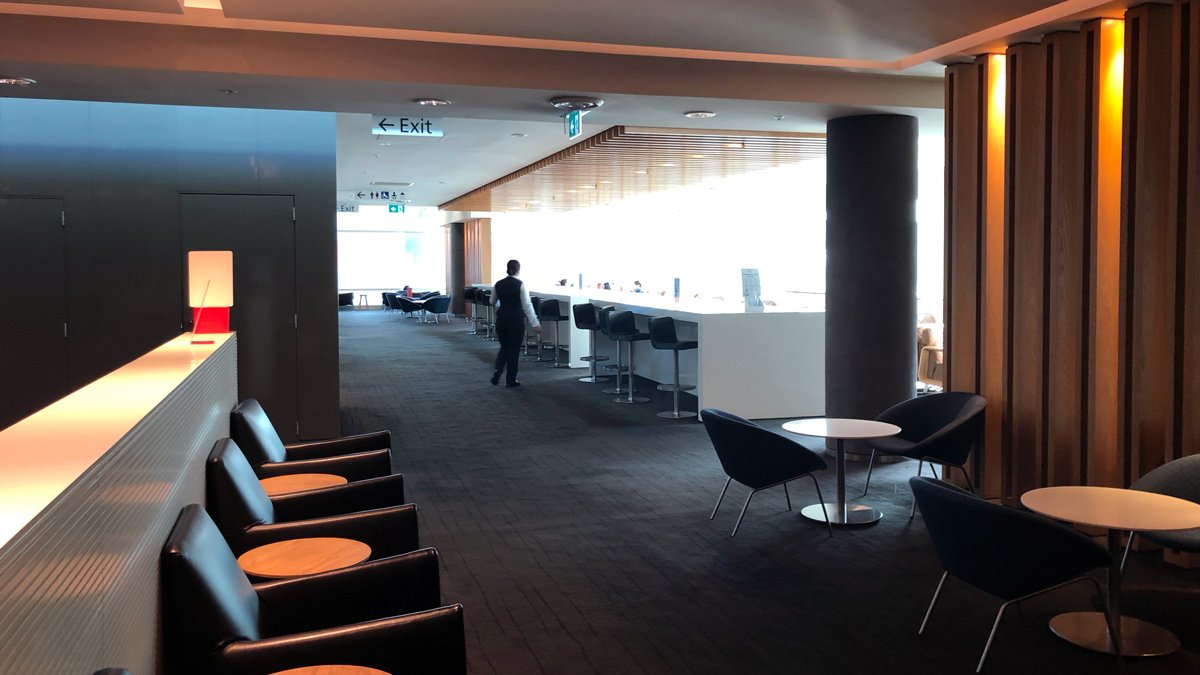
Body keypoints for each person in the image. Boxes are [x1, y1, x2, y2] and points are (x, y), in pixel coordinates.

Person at [490, 259, 541, 388]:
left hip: (502, 318)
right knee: (514, 349)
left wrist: (502, 305)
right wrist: (535, 323)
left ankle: (498, 371)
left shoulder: (498, 284)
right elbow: (527, 305)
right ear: (518, 270)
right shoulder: (520, 284)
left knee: (504, 347)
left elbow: (492, 301)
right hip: (516, 320)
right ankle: (510, 380)